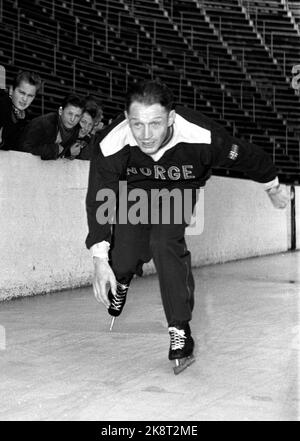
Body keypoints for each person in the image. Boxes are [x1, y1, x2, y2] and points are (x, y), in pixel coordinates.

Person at [85, 79, 288, 374]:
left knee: (163, 242)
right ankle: (124, 275)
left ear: (170, 117)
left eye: (155, 124)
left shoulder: (202, 136)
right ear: (127, 119)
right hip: (136, 188)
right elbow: (99, 200)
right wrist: (100, 260)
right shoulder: (110, 143)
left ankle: (179, 329)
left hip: (179, 186)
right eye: (137, 125)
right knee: (125, 255)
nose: (145, 135)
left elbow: (247, 155)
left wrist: (272, 186)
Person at [21, 92, 85, 160]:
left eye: (77, 116)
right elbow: (24, 148)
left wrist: (67, 153)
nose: (72, 119)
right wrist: (55, 150)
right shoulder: (44, 123)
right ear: (60, 111)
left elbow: (60, 155)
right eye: (70, 114)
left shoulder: (75, 130)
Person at [0, 70, 41, 151]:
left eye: (30, 96)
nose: (25, 99)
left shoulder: (23, 116)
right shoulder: (2, 105)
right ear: (11, 90)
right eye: (22, 93)